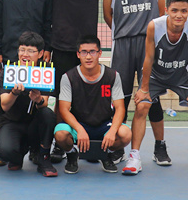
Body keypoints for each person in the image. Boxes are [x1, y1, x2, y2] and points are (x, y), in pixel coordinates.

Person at [123, 0, 188, 176]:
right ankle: (134, 157)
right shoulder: (155, 26)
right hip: (156, 75)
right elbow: (148, 58)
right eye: (174, 10)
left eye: (183, 11)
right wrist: (144, 88)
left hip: (181, 75)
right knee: (142, 107)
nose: (179, 15)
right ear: (166, 10)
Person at [45, 0, 110, 163]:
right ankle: (59, 143)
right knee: (60, 98)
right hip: (61, 47)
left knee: (88, 97)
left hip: (87, 51)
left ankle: (91, 142)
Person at [104, 0, 168, 166]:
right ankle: (118, 146)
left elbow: (162, 12)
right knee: (120, 98)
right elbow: (108, 15)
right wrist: (124, 31)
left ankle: (160, 146)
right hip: (122, 45)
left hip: (148, 45)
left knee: (152, 97)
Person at [54, 35, 131, 174]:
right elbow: (64, 109)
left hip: (104, 125)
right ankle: (72, 155)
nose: (88, 56)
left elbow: (120, 108)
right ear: (78, 54)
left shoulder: (112, 75)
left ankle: (106, 154)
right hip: (79, 124)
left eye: (92, 52)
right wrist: (79, 129)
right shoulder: (68, 77)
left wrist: (112, 131)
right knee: (60, 134)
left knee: (125, 134)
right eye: (84, 52)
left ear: (99, 53)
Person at [0, 32, 58, 177]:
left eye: (30, 51)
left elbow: (46, 104)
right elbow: (4, 105)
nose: (25, 54)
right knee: (5, 152)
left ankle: (43, 157)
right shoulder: (9, 69)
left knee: (48, 114)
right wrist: (14, 93)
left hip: (35, 124)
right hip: (13, 122)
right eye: (22, 50)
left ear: (40, 53)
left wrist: (38, 100)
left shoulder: (46, 70)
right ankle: (18, 154)